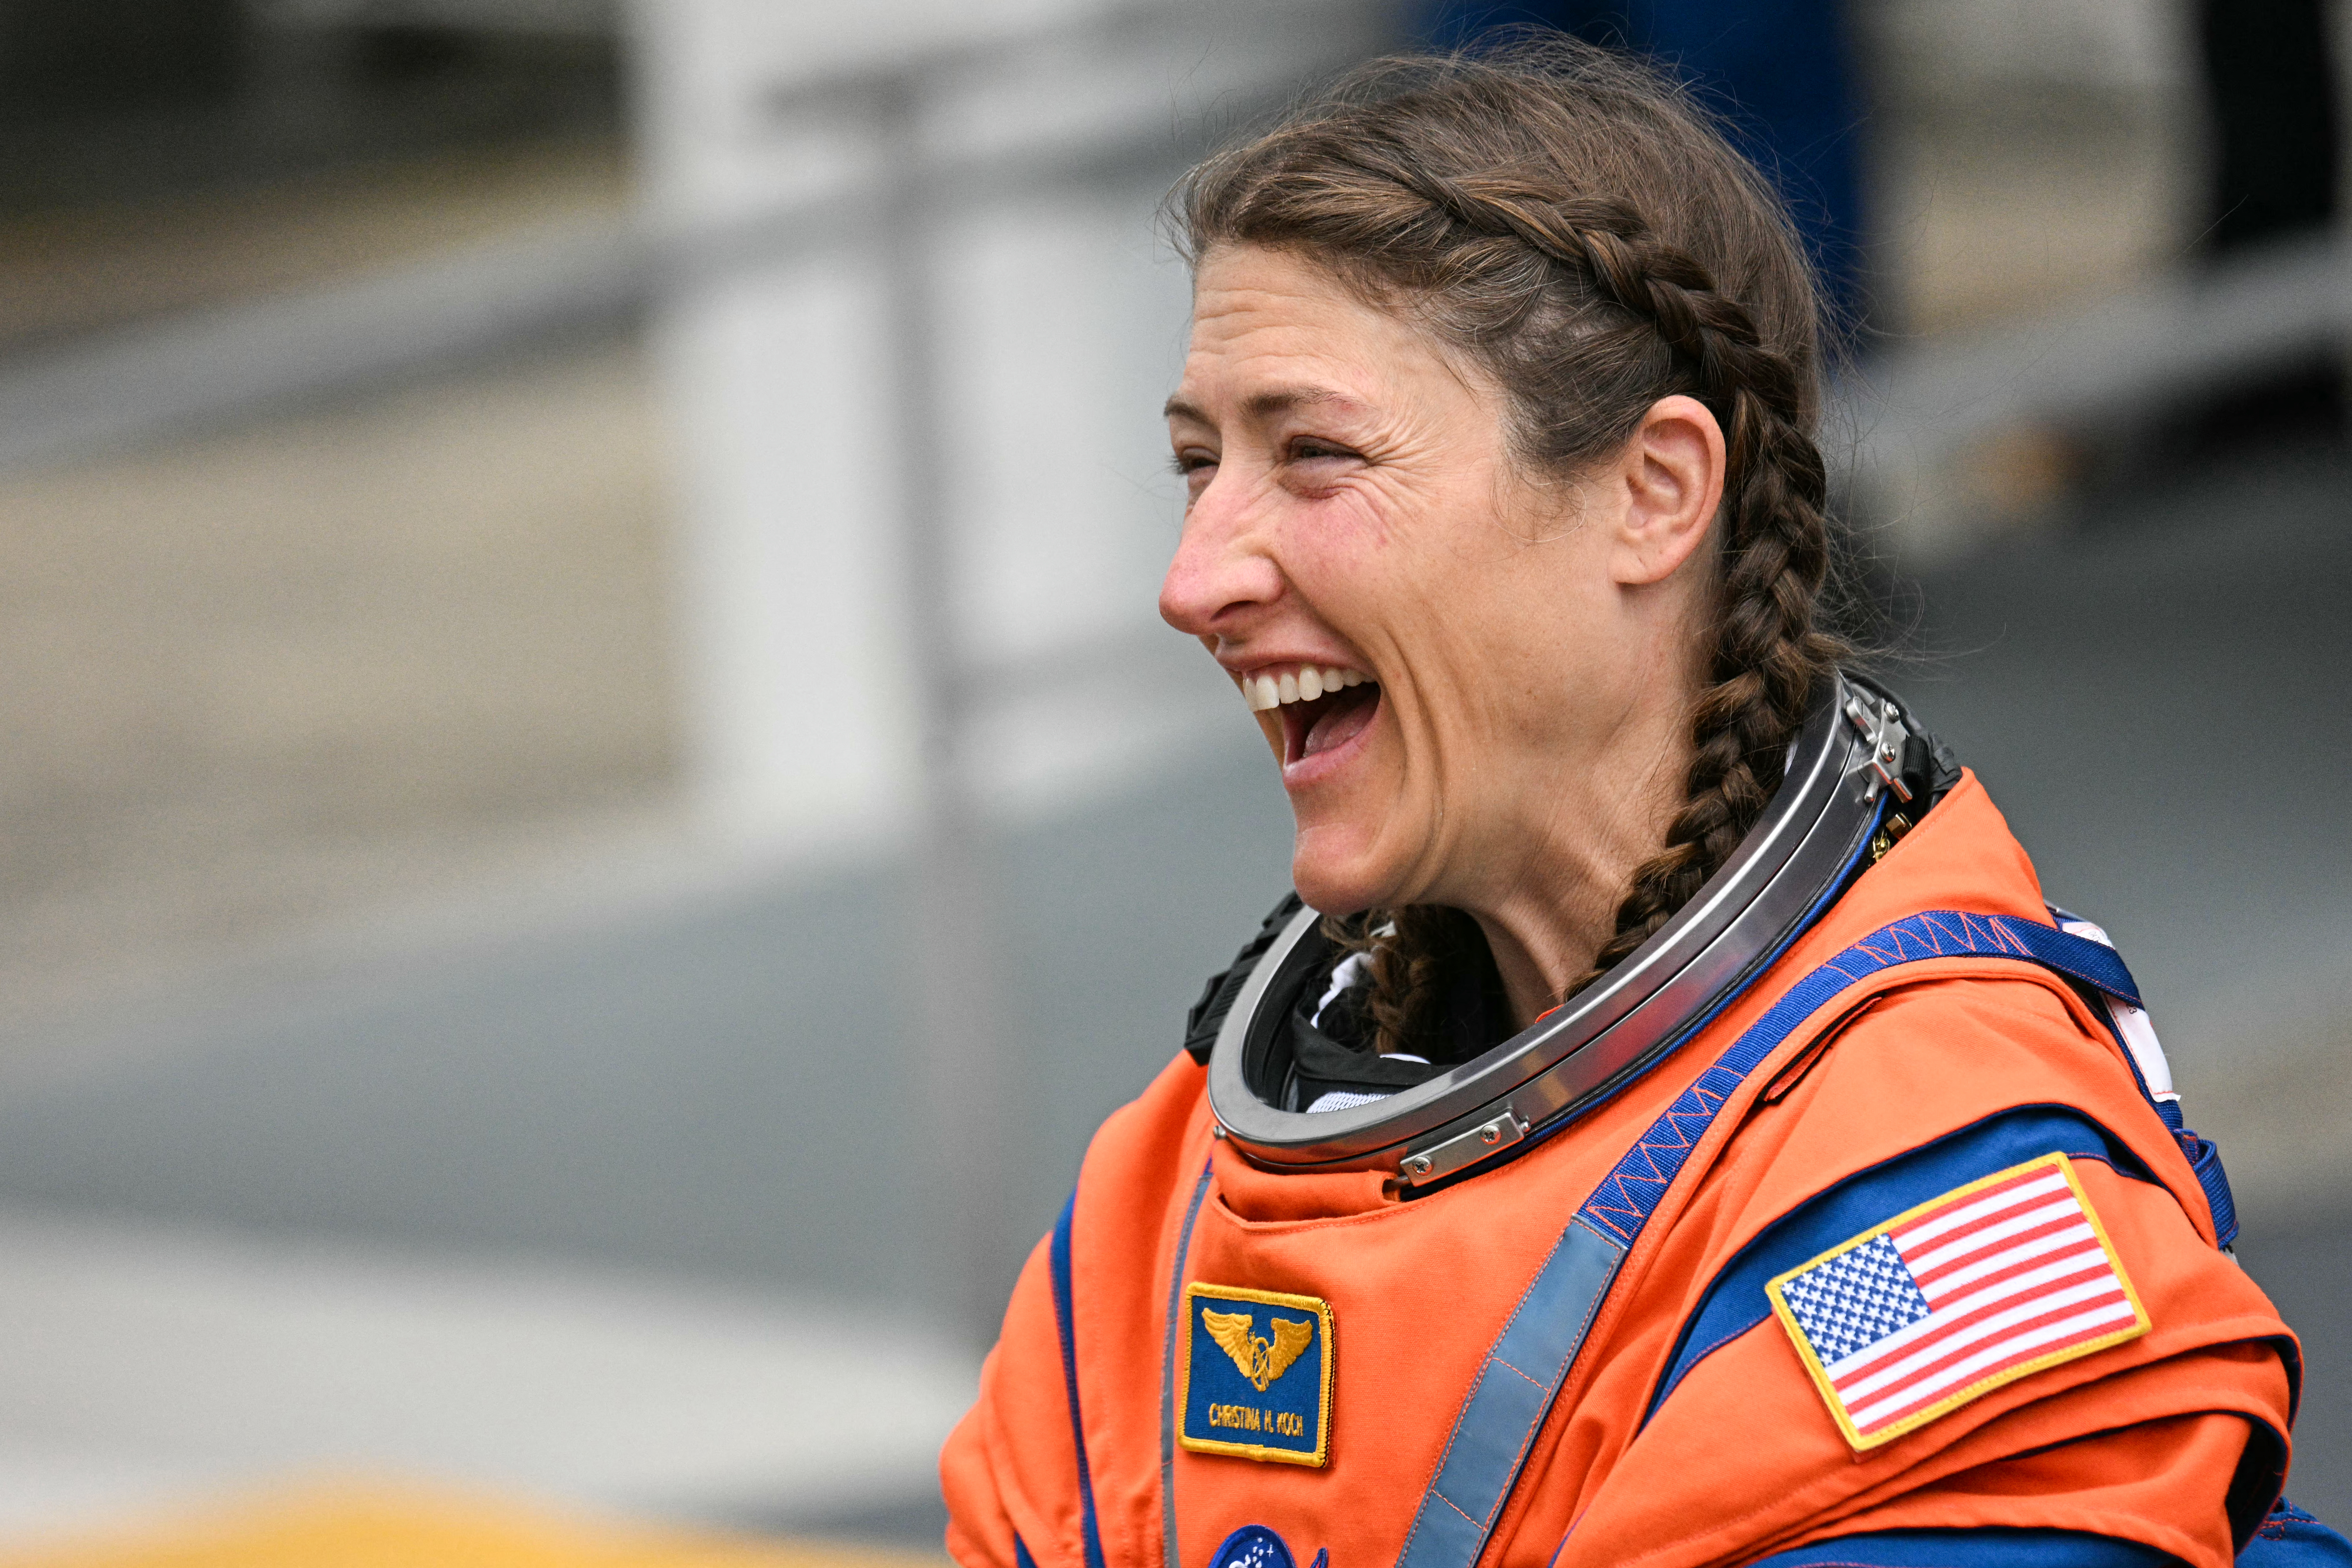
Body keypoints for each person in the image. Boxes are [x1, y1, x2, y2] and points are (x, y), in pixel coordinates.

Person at [939, 40, 2348, 1568]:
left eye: (1316, 455)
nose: (1193, 578)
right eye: (1199, 466)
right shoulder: (1167, 1194)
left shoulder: (1935, 1208)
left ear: (1655, 494)